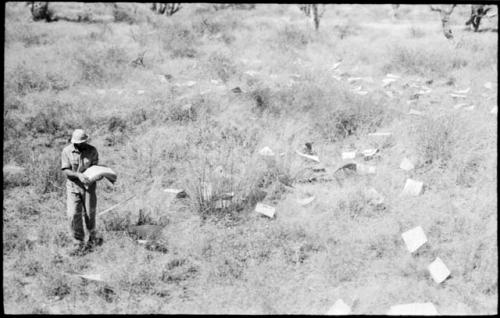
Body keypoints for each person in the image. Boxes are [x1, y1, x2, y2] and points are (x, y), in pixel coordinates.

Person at [61, 129, 103, 256]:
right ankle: (78, 242)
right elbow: (66, 170)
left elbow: (96, 167)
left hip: (89, 187)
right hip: (73, 187)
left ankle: (92, 239)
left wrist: (98, 175)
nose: (80, 145)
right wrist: (77, 175)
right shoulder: (67, 151)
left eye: (82, 142)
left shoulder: (92, 150)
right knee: (73, 214)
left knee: (90, 214)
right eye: (77, 143)